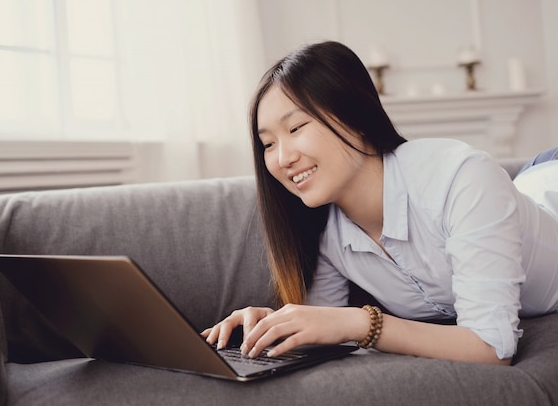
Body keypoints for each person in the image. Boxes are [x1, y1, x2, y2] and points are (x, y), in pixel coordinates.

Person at [202, 41, 558, 365]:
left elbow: (493, 351)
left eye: (295, 128)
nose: (282, 159)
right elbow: (323, 325)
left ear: (354, 117)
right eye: (268, 144)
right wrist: (270, 326)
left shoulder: (459, 177)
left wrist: (364, 323)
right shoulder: (329, 235)